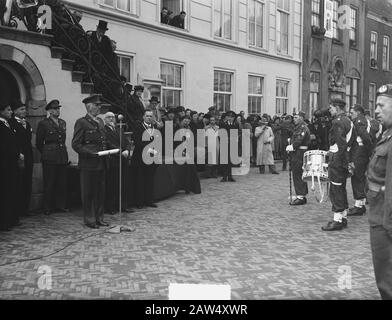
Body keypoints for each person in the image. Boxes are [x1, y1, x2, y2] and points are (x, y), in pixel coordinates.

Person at [367, 84, 392, 300]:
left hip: (385, 222)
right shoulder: (387, 134)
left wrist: (389, 228)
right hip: (378, 214)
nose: (376, 110)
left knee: (387, 282)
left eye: (381, 105)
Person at [72, 94, 108, 229]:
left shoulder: (100, 121)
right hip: (88, 164)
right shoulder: (81, 122)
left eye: (100, 106)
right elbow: (76, 144)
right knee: (88, 193)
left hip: (101, 163)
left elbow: (104, 141)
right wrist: (90, 153)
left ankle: (99, 218)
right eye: (97, 105)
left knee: (100, 192)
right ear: (89, 106)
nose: (99, 108)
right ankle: (90, 219)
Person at [322, 99, 355, 231]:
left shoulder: (337, 122)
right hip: (343, 157)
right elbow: (349, 142)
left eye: (331, 108)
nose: (330, 110)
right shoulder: (348, 121)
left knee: (335, 189)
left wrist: (337, 157)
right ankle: (343, 216)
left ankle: (337, 219)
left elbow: (341, 144)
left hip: (338, 159)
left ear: (337, 108)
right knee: (341, 188)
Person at [36, 100, 69, 215]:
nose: (57, 111)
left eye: (58, 108)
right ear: (49, 111)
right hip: (49, 156)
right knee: (49, 182)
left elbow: (62, 139)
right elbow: (39, 142)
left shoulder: (62, 122)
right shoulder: (44, 123)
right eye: (55, 109)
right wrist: (46, 153)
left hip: (62, 155)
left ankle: (60, 205)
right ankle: (47, 207)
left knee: (61, 182)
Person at [8, 100, 33, 218]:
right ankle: (16, 210)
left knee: (27, 182)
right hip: (18, 156)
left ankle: (25, 208)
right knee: (18, 183)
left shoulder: (27, 123)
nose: (24, 111)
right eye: (21, 109)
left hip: (28, 156)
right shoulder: (11, 123)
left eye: (25, 109)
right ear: (15, 111)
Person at [348, 105, 373, 216]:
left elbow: (365, 137)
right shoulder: (363, 120)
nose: (350, 114)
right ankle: (361, 203)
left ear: (358, 112)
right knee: (360, 178)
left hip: (359, 153)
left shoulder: (358, 121)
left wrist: (367, 151)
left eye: (352, 112)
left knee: (357, 178)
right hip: (362, 152)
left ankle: (359, 206)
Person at [131, 109, 159, 209]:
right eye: (147, 116)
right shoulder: (138, 127)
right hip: (140, 158)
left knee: (149, 180)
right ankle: (139, 201)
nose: (149, 118)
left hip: (151, 159)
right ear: (143, 117)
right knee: (140, 180)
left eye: (151, 116)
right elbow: (138, 142)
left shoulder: (155, 128)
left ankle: (149, 200)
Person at [0, 101, 19, 231]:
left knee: (11, 190)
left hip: (11, 163)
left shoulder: (8, 124)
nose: (11, 112)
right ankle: (4, 221)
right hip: (4, 164)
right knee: (5, 192)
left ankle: (10, 218)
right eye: (8, 110)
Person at [286, 111, 310, 205]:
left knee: (298, 172)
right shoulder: (298, 127)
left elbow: (300, 139)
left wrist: (293, 146)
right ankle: (300, 193)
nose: (294, 119)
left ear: (301, 118)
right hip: (297, 152)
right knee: (297, 173)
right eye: (294, 117)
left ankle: (301, 196)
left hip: (300, 153)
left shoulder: (303, 127)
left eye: (296, 117)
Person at [220, 110, 238, 182]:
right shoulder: (222, 124)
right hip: (225, 143)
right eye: (229, 116)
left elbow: (237, 133)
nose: (230, 118)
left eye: (232, 117)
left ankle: (230, 176)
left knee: (230, 160)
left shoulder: (235, 124)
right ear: (226, 117)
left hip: (232, 144)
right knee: (225, 160)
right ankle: (224, 176)